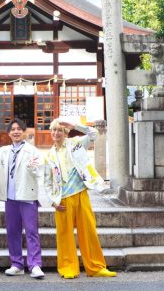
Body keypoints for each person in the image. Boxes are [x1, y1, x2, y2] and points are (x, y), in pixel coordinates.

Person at [43, 118, 117, 279]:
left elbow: (94, 133)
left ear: (65, 132)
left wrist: (75, 126)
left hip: (81, 193)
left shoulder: (75, 144)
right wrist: (53, 202)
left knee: (89, 231)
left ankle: (96, 267)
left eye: (60, 130)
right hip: (62, 199)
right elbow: (47, 182)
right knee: (64, 235)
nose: (56, 133)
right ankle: (68, 268)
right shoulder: (48, 155)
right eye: (54, 130)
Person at [0, 118, 45, 279]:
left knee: (31, 231)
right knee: (12, 231)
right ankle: (17, 264)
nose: (16, 131)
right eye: (13, 129)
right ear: (8, 133)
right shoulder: (4, 151)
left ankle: (35, 265)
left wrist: (33, 168)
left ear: (24, 131)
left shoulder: (32, 150)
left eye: (19, 129)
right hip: (10, 197)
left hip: (27, 197)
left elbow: (39, 171)